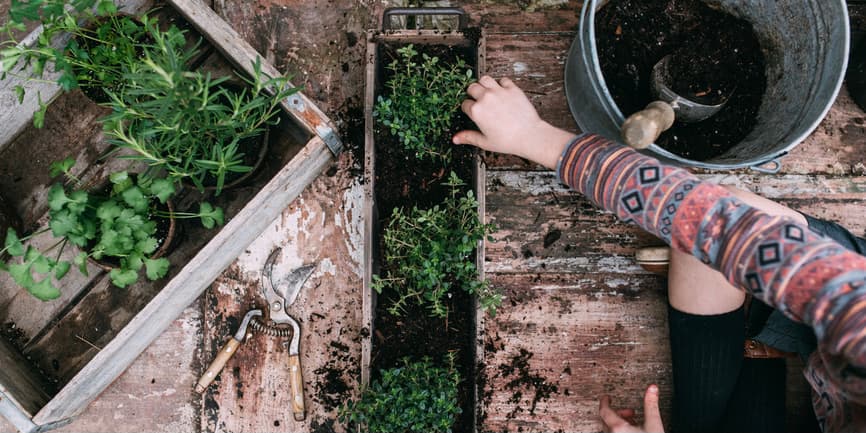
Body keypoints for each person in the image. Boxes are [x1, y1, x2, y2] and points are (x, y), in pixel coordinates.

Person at [453, 76, 866, 433]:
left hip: (829, 403)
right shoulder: (854, 307)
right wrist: (534, 138)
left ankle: (757, 343)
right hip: (830, 335)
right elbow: (710, 219)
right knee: (715, 234)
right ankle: (763, 338)